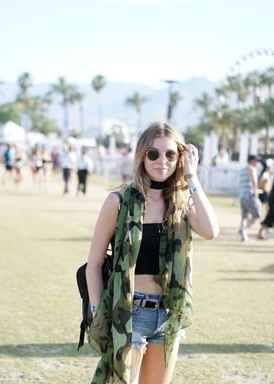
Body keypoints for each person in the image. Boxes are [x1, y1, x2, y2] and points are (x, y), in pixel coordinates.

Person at [86, 122, 219, 383]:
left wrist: (191, 176)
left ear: (179, 158)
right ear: (142, 156)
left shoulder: (181, 202)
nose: (162, 161)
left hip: (167, 315)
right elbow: (93, 264)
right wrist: (96, 310)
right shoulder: (119, 201)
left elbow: (211, 230)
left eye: (170, 154)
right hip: (128, 312)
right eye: (153, 154)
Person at [238, 155, 261, 242]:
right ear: (252, 161)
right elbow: (254, 182)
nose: (257, 163)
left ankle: (244, 235)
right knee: (257, 215)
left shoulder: (242, 170)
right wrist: (256, 194)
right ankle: (244, 230)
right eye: (256, 161)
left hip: (242, 196)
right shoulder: (252, 169)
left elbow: (240, 183)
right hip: (249, 196)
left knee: (245, 216)